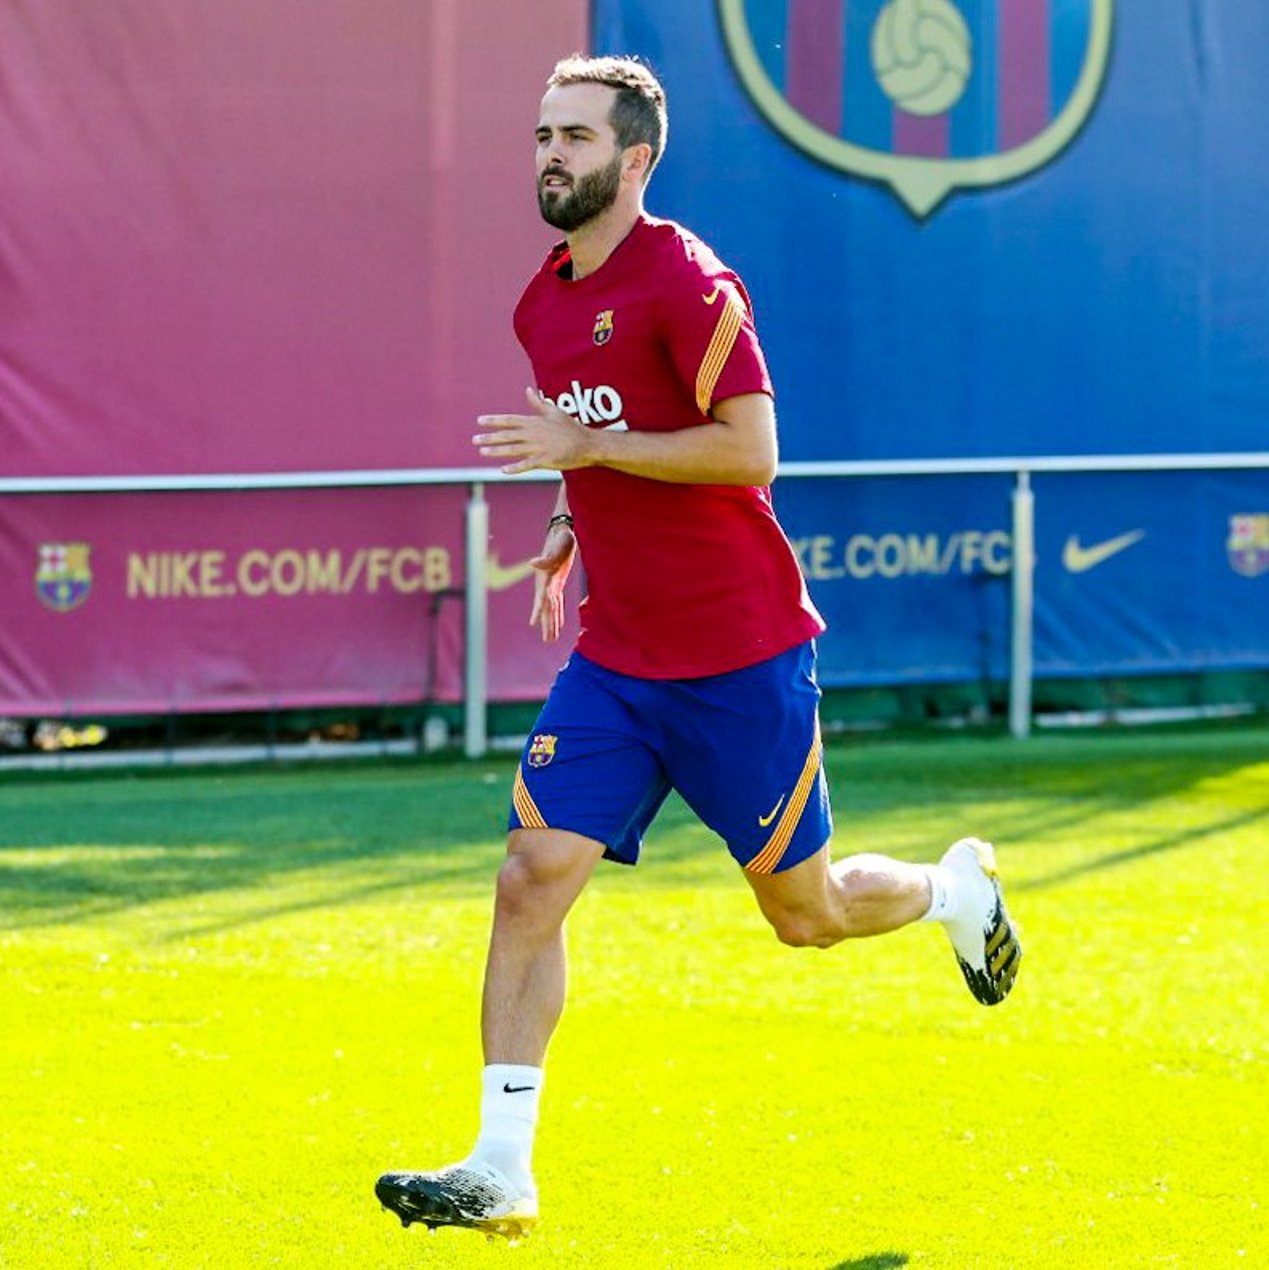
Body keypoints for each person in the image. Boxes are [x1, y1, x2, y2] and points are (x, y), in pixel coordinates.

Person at [376, 53, 1021, 1243]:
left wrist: (590, 451)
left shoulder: (691, 282)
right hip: (618, 662)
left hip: (739, 659)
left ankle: (951, 890)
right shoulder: (542, 301)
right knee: (531, 877)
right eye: (539, 134)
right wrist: (573, 516)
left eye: (573, 137)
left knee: (806, 916)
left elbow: (750, 450)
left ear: (633, 160)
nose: (547, 155)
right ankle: (502, 1169)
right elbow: (597, 434)